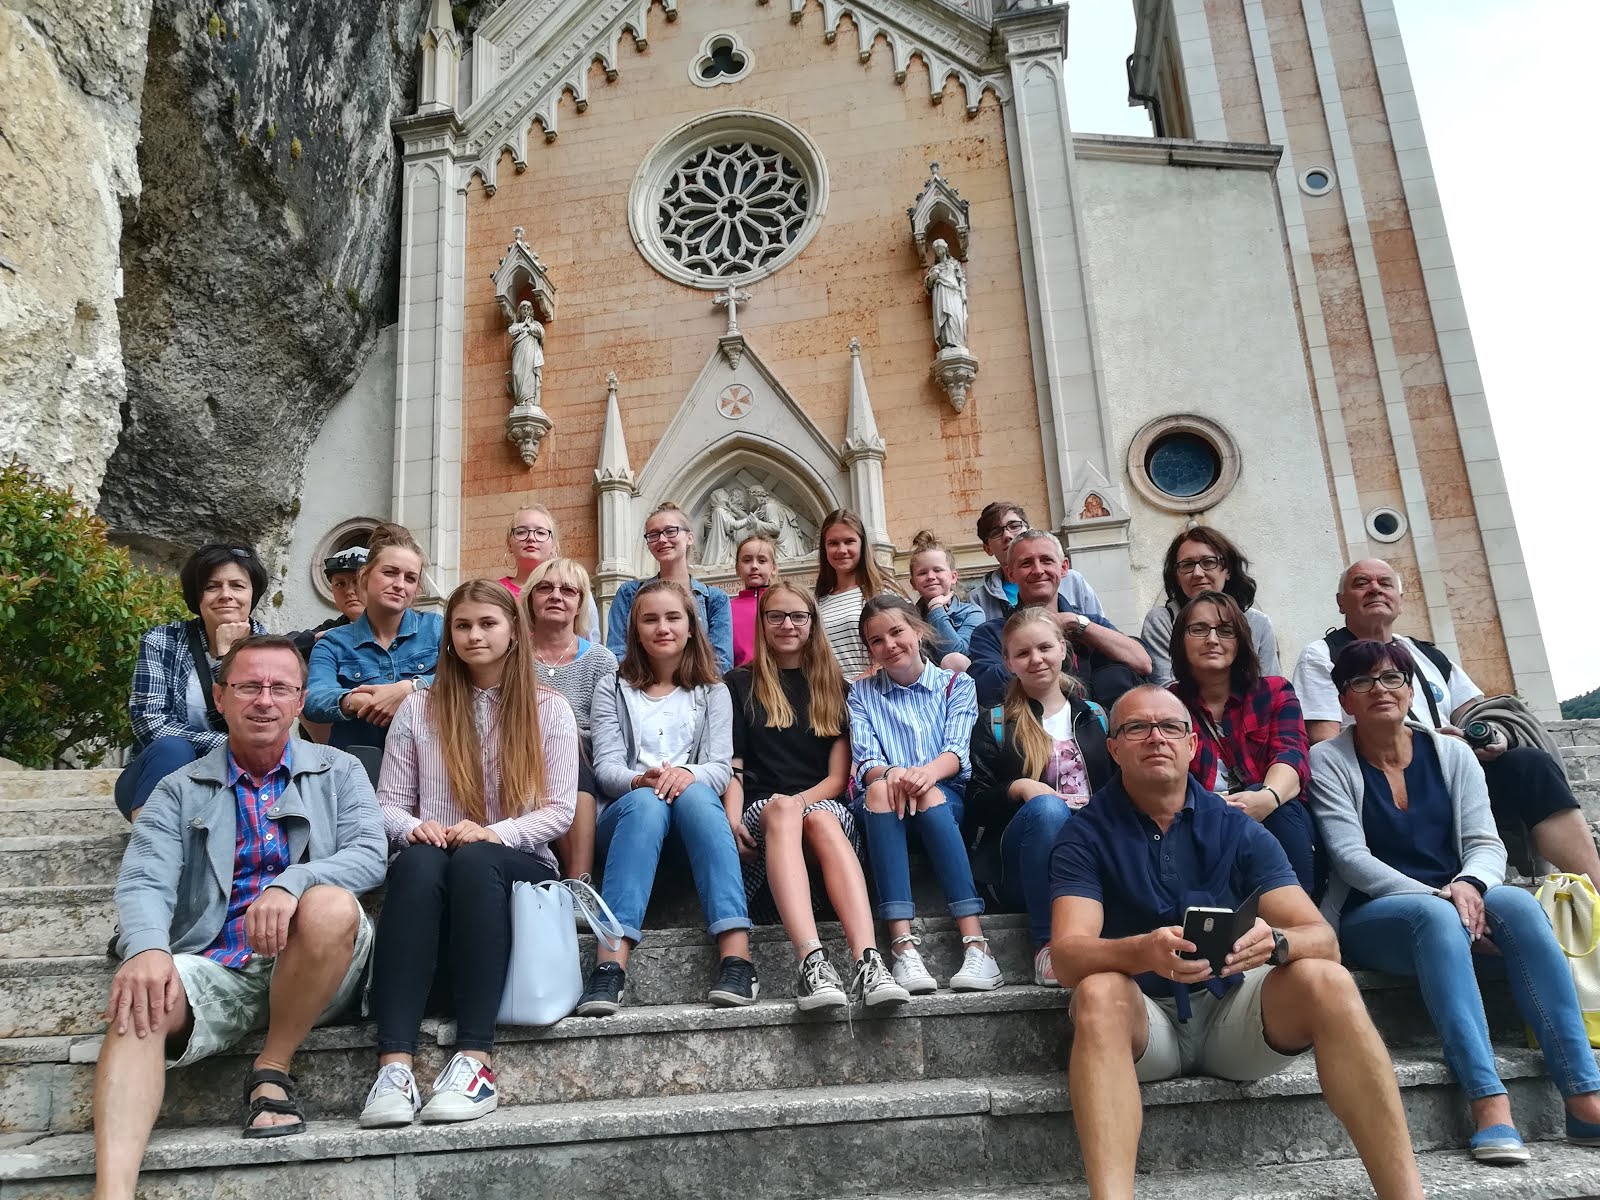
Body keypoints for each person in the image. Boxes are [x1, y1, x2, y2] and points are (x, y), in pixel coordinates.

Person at [1050, 685, 1424, 1200]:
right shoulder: (1084, 833)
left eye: (1171, 727)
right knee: (1096, 992)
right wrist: (1141, 951)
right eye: (1137, 728)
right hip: (1145, 1025)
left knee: (1327, 979)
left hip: (1236, 1020)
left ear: (1192, 745)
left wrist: (1275, 944)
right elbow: (1067, 957)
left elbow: (1321, 937)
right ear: (1113, 748)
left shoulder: (1236, 827)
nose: (1155, 737)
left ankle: (1405, 1195)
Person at [93, 635, 385, 1199]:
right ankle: (112, 1191)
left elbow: (370, 854)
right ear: (221, 697)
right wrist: (148, 948)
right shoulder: (178, 788)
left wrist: (290, 883)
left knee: (326, 902)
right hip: (218, 962)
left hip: (321, 965)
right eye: (249, 686)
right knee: (141, 999)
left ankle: (272, 1068)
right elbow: (146, 878)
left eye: (281, 688)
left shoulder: (340, 770)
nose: (264, 700)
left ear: (301, 702)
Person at [1311, 639, 1600, 1164]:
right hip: (1375, 914)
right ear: (1344, 700)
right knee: (1435, 916)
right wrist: (1446, 897)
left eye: (1392, 678)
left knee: (1519, 906)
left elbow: (1485, 843)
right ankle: (1488, 1102)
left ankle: (1584, 1096)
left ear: (1410, 690)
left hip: (1458, 901)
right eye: (1362, 681)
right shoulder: (1327, 760)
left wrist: (1472, 886)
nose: (1380, 689)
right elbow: (1351, 859)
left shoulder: (1451, 752)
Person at [359, 580, 577, 1128]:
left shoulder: (549, 708)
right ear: (449, 636)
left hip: (518, 860)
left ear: (512, 634)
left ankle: (476, 1059)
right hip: (437, 853)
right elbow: (386, 805)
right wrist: (415, 827)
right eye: (462, 625)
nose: (474, 634)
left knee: (476, 859)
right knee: (416, 861)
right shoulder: (419, 707)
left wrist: (494, 833)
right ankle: (394, 1066)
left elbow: (558, 811)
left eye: (487, 624)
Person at [1293, 558, 1600, 881]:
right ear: (1341, 601)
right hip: (1380, 780)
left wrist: (1493, 737)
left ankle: (1594, 889)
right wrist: (1426, 744)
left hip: (1454, 771)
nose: (1375, 589)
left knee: (1531, 766)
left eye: (1385, 583)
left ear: (1399, 598)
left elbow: (1476, 713)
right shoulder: (1322, 655)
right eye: (1361, 583)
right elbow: (1324, 739)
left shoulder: (1428, 655)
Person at [723, 581, 907, 1009]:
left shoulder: (835, 686)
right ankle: (813, 962)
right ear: (763, 623)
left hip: (822, 805)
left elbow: (838, 777)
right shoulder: (737, 684)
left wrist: (799, 802)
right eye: (776, 616)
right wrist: (730, 821)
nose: (788, 625)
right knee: (784, 809)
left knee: (819, 816)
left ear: (812, 622)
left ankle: (869, 962)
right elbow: (735, 767)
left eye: (798, 616)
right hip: (759, 810)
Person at [580, 579, 755, 1014]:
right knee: (646, 801)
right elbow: (606, 770)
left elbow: (719, 768)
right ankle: (610, 966)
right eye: (650, 619)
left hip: (693, 823)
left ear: (692, 626)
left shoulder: (713, 690)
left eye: (673, 617)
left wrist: (684, 773)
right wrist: (644, 782)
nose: (663, 627)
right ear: (635, 630)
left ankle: (737, 959)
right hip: (628, 819)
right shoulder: (612, 688)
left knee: (696, 794)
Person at [849, 596, 1003, 993]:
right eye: (876, 640)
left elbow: (956, 752)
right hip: (885, 799)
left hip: (943, 795)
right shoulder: (861, 693)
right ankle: (903, 949)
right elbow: (867, 761)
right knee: (881, 791)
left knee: (930, 793)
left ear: (918, 631)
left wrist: (924, 776)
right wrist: (898, 774)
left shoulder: (955, 683)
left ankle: (977, 945)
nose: (890, 645)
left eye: (897, 631)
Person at [968, 607, 1113, 987]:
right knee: (1048, 808)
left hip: (1090, 852)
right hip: (1025, 862)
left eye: (1045, 647)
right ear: (1008, 662)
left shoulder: (1096, 715)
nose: (1036, 659)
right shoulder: (995, 721)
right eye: (1023, 653)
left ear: (1063, 649)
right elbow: (976, 802)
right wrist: (1019, 788)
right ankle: (1048, 946)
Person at [1167, 590, 1314, 893]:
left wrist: (1267, 798)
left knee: (1283, 809)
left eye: (1225, 630)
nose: (1212, 639)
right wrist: (1214, 806)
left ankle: (1299, 919)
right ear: (1181, 639)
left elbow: (1291, 755)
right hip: (1199, 821)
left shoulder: (1274, 691)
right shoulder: (1167, 702)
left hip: (1272, 816)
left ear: (1241, 641)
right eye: (1198, 629)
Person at [117, 544, 269, 821]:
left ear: (252, 594)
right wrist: (231, 745)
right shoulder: (162, 641)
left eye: (237, 585)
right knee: (173, 747)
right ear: (197, 596)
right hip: (161, 774)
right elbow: (150, 724)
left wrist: (227, 659)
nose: (226, 595)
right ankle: (151, 848)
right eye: (213, 586)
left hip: (241, 780)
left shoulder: (272, 651)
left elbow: (263, 723)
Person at [967, 528, 1150, 710]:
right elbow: (984, 690)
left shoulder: (1090, 624)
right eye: (1026, 563)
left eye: (1046, 560)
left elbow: (1143, 663)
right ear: (1011, 574)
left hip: (1097, 731)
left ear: (1063, 568)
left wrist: (1076, 624)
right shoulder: (990, 633)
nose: (1038, 570)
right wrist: (1030, 644)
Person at [305, 524, 445, 752]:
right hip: (358, 769)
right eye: (390, 572)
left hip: (429, 763)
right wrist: (354, 701)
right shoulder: (333, 642)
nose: (399, 584)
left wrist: (412, 688)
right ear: (365, 576)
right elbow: (315, 698)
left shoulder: (437, 628)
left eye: (410, 578)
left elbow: (465, 678)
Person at [523, 557, 619, 880]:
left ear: (579, 604)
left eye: (568, 590)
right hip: (521, 756)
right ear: (530, 599)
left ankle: (580, 883)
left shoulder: (600, 660)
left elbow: (609, 728)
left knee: (570, 750)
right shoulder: (512, 657)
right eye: (545, 588)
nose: (556, 596)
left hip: (583, 761)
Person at [606, 501, 734, 675]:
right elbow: (617, 655)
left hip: (697, 693)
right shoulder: (629, 594)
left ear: (689, 538)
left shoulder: (715, 600)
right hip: (640, 692)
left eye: (670, 531)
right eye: (653, 535)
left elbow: (722, 663)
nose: (662, 540)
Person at [1141, 526, 1279, 686]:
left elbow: (1271, 687)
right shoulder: (1162, 621)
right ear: (1176, 576)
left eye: (1208, 562)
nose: (1198, 573)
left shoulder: (1258, 623)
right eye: (1187, 565)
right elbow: (1166, 689)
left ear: (1227, 570)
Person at [970, 499, 1103, 622]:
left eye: (1014, 526)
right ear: (987, 548)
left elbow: (1100, 630)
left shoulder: (1072, 581)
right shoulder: (979, 599)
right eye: (995, 532)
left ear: (1030, 532)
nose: (1007, 535)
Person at [814, 508, 906, 680]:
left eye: (849, 541)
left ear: (862, 544)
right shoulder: (817, 601)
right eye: (833, 543)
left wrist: (858, 682)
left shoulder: (884, 592)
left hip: (880, 690)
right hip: (832, 697)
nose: (841, 550)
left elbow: (908, 645)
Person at [497, 506, 602, 642]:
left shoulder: (574, 589)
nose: (531, 538)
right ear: (509, 543)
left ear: (554, 545)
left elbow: (590, 640)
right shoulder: (496, 592)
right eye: (521, 531)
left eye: (540, 533)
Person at [908, 529, 984, 672]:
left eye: (938, 570)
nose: (930, 576)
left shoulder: (972, 613)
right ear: (913, 583)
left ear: (953, 577)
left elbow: (957, 657)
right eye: (922, 573)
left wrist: (936, 610)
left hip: (958, 689)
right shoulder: (908, 617)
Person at [290, 545, 368, 660]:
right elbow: (285, 644)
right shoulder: (333, 628)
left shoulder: (397, 626)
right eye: (340, 584)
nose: (349, 591)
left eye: (357, 582)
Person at [728, 533, 777, 669]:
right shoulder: (727, 608)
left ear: (773, 568)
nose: (754, 566)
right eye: (747, 560)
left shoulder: (782, 602)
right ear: (737, 568)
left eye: (762, 561)